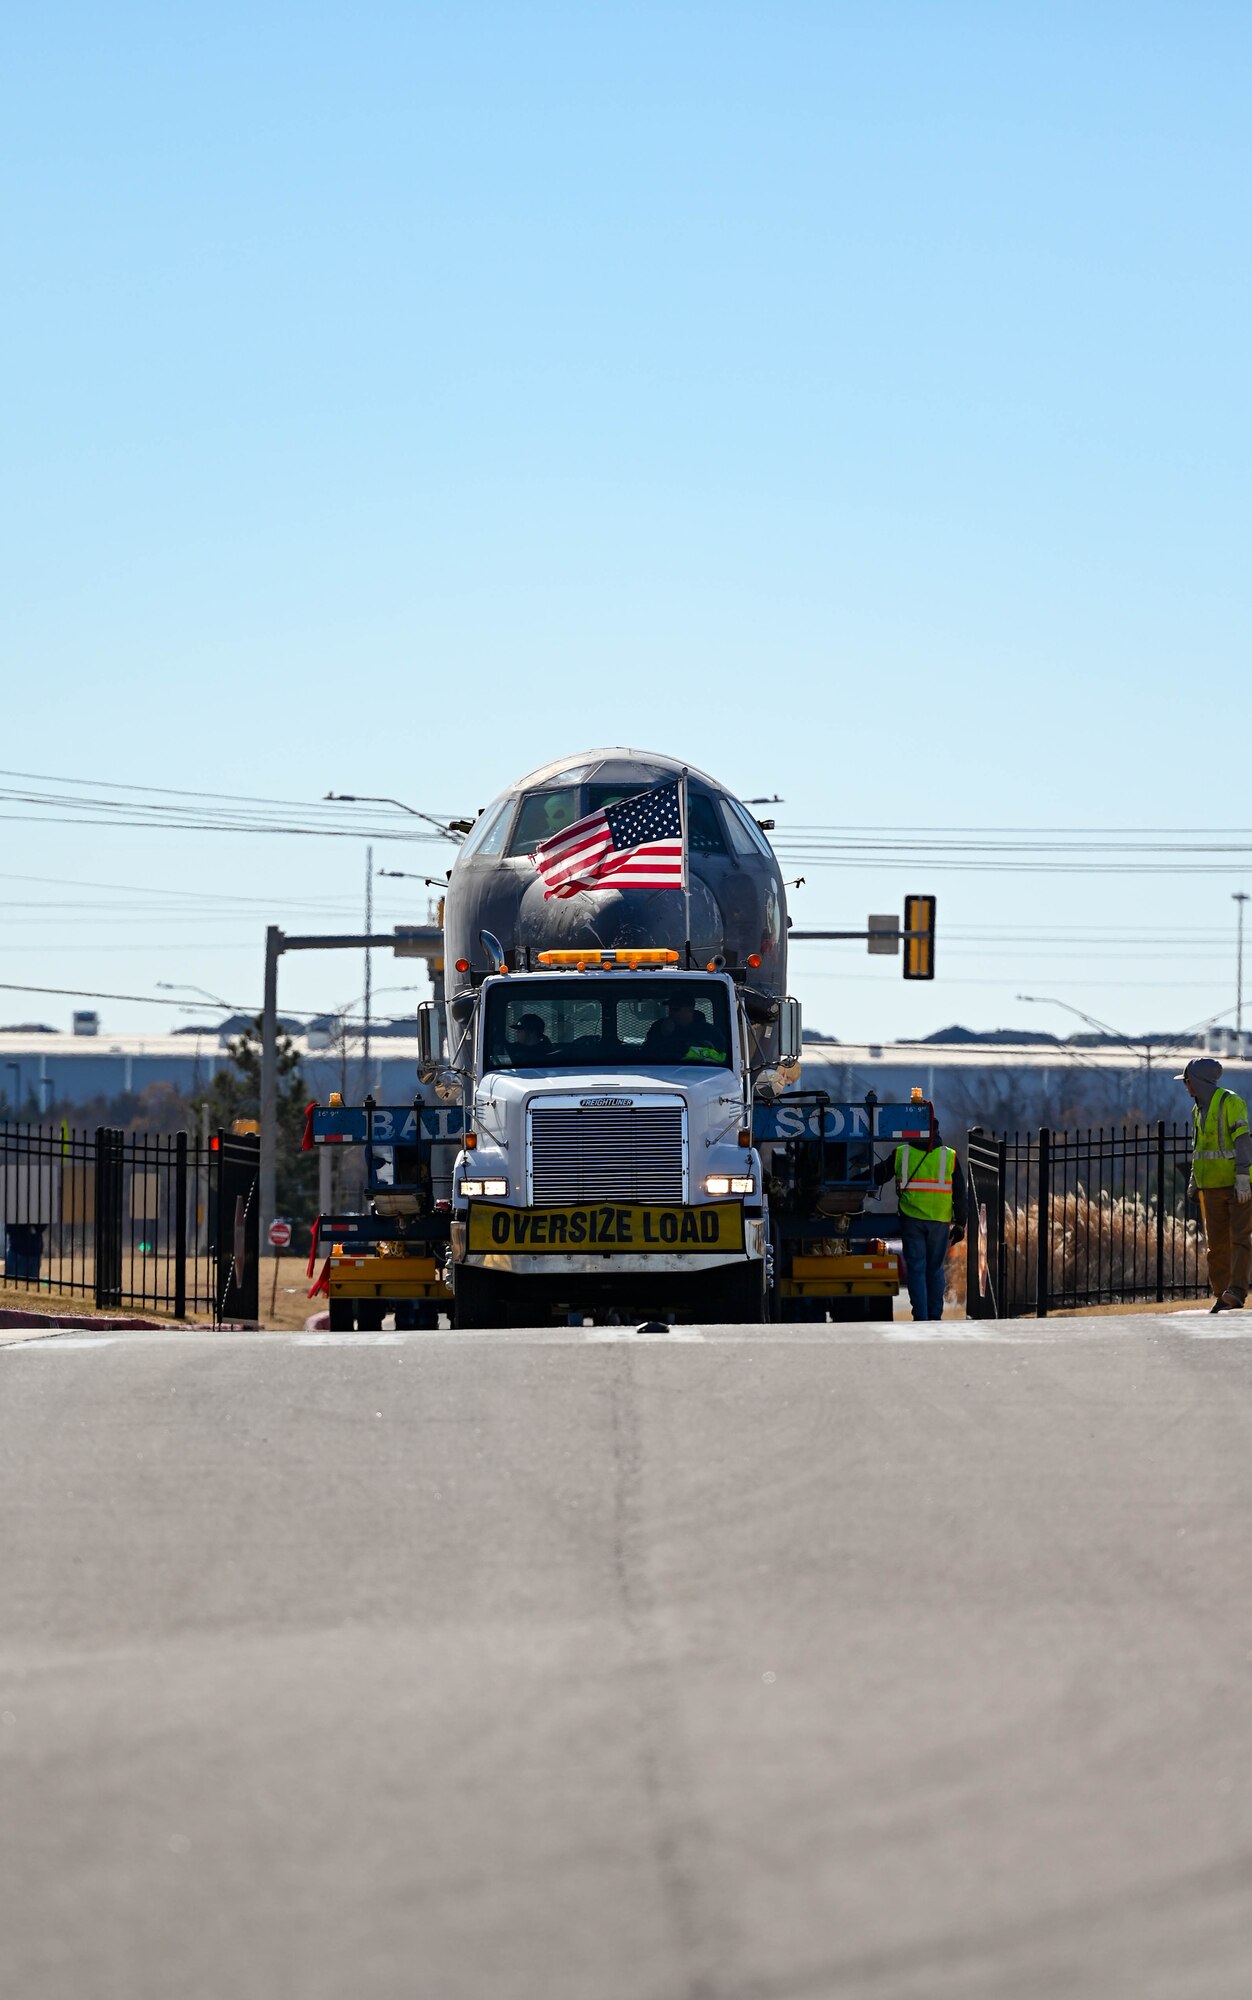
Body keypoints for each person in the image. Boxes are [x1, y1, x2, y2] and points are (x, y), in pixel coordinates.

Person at [1178, 1056, 1252, 1311]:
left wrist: (1243, 1176)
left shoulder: (1231, 1101)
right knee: (1216, 1244)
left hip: (1236, 1184)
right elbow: (1199, 1148)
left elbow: (1243, 1139)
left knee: (1241, 1238)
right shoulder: (1197, 1109)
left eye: (1187, 1081)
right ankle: (1223, 1294)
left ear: (1197, 1081)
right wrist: (1194, 1181)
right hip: (1210, 1186)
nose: (1186, 1086)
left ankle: (1237, 1292)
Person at [873, 1126, 967, 1321]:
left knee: (916, 1269)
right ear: (937, 1131)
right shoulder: (949, 1156)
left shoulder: (902, 1154)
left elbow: (879, 1175)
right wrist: (960, 1223)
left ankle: (921, 1317)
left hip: (912, 1219)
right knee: (935, 1269)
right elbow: (960, 1194)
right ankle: (934, 1316)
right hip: (939, 1221)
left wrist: (852, 1180)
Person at [642, 993, 725, 1063]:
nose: (671, 1013)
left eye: (676, 1009)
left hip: (699, 1070)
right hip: (661, 1068)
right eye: (670, 1009)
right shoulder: (658, 1027)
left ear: (690, 1009)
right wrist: (663, 1034)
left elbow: (722, 1057)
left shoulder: (710, 1032)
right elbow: (646, 1053)